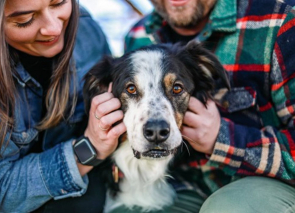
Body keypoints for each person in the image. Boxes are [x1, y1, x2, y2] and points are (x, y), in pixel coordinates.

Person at [120, 0, 295, 212]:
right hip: (186, 185)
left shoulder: (283, 19)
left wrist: (221, 138)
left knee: (227, 207)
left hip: (273, 187)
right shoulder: (138, 35)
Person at [0, 0, 126, 212]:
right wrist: (89, 148)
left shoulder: (86, 30)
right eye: (24, 20)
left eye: (59, 3)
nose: (54, 28)